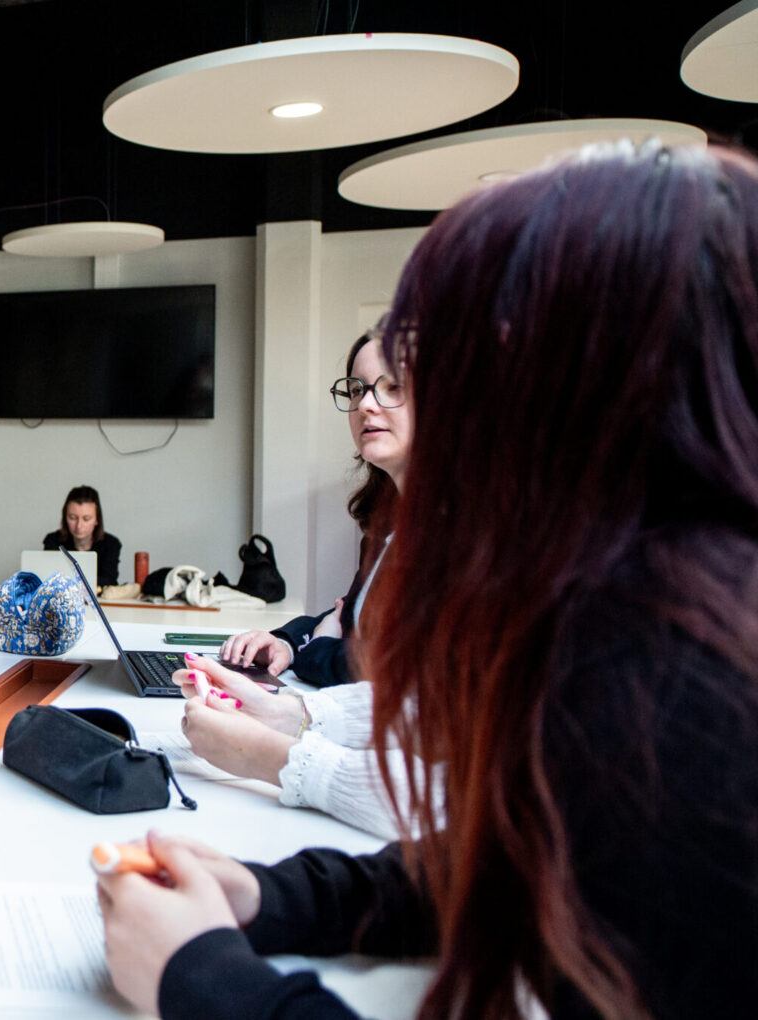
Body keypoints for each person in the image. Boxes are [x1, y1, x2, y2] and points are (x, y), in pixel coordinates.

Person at [96, 141, 758, 1018]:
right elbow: (510, 862)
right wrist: (269, 897)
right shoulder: (640, 628)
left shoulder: (697, 712)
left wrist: (203, 980)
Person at [174, 329, 414, 837]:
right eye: (355, 390)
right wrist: (281, 682)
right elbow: (354, 628)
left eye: (390, 386)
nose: (366, 405)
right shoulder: (390, 521)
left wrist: (274, 747)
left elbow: (387, 675)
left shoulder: (471, 535)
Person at [40, 485, 122, 588]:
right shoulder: (53, 541)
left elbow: (109, 580)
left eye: (86, 519)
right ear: (65, 517)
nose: (79, 526)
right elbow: (48, 577)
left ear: (97, 520)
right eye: (73, 518)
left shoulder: (111, 544)